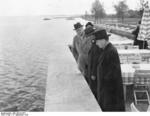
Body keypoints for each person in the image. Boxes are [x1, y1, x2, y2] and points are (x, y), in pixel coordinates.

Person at [94, 30, 125, 111]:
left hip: (110, 94)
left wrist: (103, 91)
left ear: (103, 40)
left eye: (97, 41)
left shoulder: (111, 51)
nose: (96, 44)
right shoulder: (107, 50)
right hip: (107, 92)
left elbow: (112, 75)